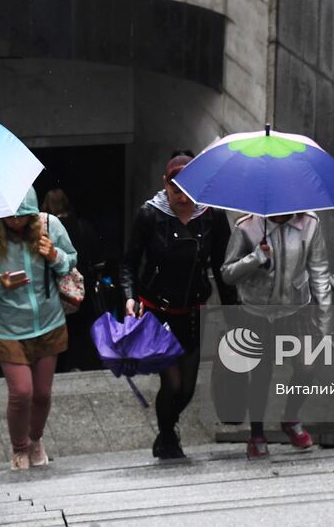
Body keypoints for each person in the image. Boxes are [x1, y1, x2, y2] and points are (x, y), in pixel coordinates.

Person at [121, 152, 238, 459]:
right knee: (172, 383)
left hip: (193, 311)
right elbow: (129, 263)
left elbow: (223, 268)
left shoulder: (211, 216)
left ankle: (166, 431)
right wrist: (129, 296)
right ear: (165, 184)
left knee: (187, 388)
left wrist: (232, 314)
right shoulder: (149, 214)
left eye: (189, 191)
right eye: (176, 191)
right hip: (158, 310)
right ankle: (168, 437)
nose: (183, 198)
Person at [218, 212, 332, 458]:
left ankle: (290, 418)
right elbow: (227, 273)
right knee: (261, 374)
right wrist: (255, 258)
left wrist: (324, 322)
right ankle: (257, 434)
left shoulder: (310, 223)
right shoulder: (247, 226)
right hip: (257, 311)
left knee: (307, 366)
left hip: (296, 309)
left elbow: (320, 272)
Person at [0, 187, 79, 470]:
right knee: (21, 392)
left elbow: (71, 260)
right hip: (7, 327)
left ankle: (35, 439)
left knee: (42, 394)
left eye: (23, 217)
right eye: (10, 217)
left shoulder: (50, 225)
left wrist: (55, 256)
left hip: (49, 322)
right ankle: (19, 447)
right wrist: (0, 282)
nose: (16, 222)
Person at [41, 187, 104, 371]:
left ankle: (61, 366)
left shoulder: (44, 229)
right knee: (81, 329)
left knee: (58, 329)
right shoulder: (82, 225)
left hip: (53, 288)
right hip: (81, 286)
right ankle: (82, 363)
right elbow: (97, 257)